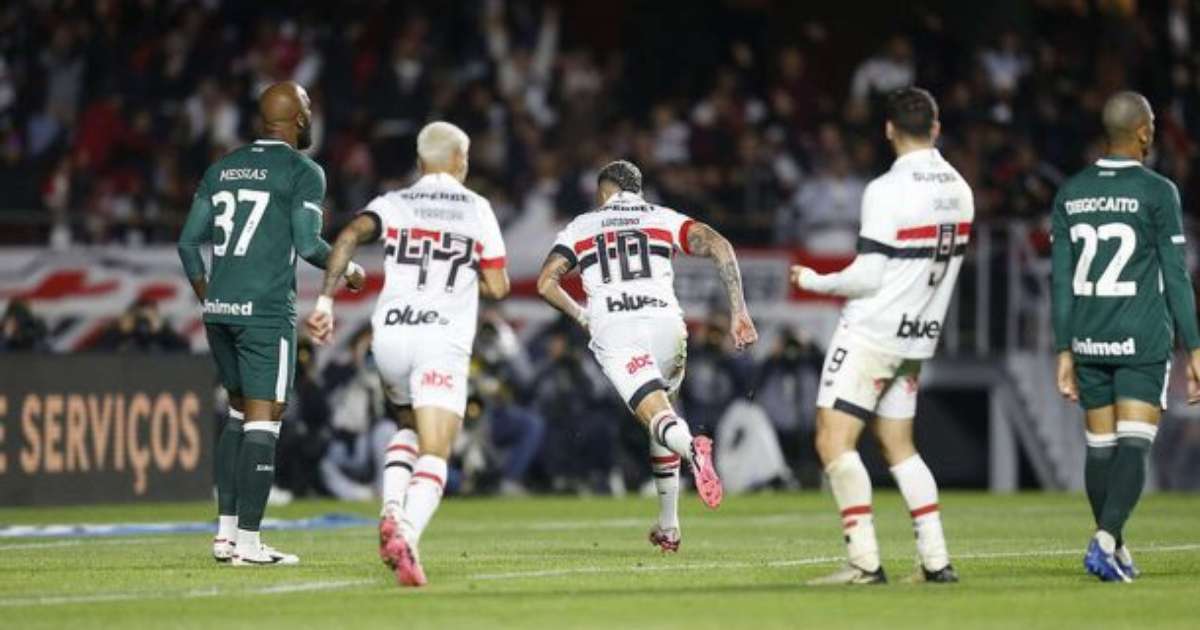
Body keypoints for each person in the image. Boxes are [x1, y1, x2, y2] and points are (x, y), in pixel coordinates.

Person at [305, 121, 510, 587]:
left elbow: (348, 235)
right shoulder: (477, 208)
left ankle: (391, 508)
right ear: (460, 161)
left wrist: (325, 303)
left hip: (392, 336)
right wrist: (461, 275)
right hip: (440, 340)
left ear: (420, 162)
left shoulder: (394, 202)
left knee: (407, 424)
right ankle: (407, 533)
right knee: (436, 450)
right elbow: (498, 286)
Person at [177, 81, 366, 566]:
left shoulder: (222, 168)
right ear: (299, 119)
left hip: (220, 312)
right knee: (265, 421)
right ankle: (249, 542)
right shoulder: (303, 171)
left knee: (238, 416)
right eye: (308, 106)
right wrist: (348, 267)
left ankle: (224, 537)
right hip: (264, 314)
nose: (311, 114)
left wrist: (211, 297)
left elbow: (187, 244)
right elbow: (308, 244)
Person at [791, 87, 973, 584]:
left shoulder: (887, 189)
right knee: (898, 443)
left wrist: (815, 281)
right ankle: (936, 560)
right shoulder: (961, 189)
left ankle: (864, 561)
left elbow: (869, 276)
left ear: (889, 129)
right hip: (917, 337)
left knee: (833, 440)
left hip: (873, 332)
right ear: (936, 128)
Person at [536, 159, 758, 553]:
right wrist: (739, 311)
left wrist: (584, 316)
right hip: (668, 328)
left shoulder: (583, 226)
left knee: (659, 419)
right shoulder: (663, 217)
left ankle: (693, 450)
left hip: (619, 329)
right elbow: (720, 245)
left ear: (603, 191)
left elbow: (546, 283)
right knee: (663, 413)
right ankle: (669, 526)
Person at [1051, 91, 1200, 583]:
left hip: (1089, 337)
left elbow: (1061, 281)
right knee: (1134, 444)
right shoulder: (1158, 191)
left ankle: (1114, 544)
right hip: (1141, 336)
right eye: (1152, 122)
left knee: (1100, 448)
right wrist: (1195, 346)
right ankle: (1104, 541)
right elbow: (1175, 275)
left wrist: (1063, 348)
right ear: (1142, 131)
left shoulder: (1071, 192)